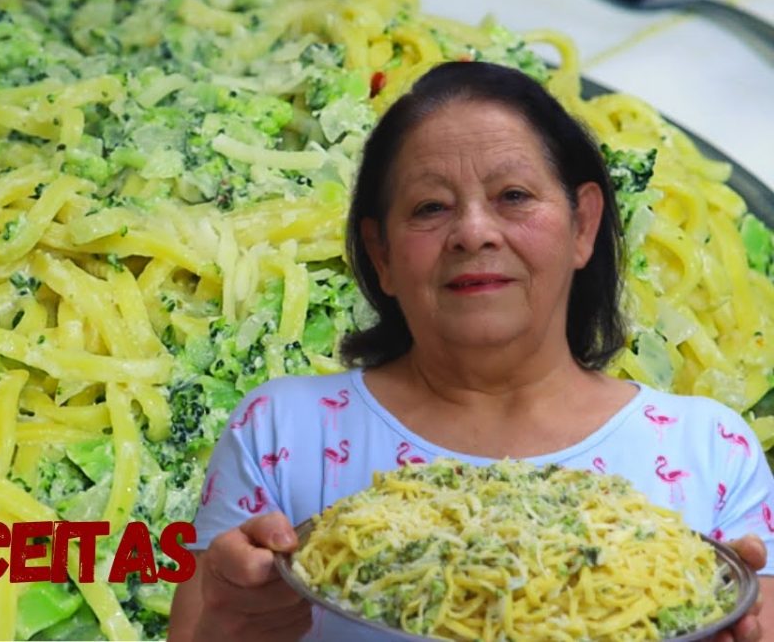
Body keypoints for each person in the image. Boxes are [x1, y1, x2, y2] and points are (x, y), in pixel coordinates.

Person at [166, 61, 774, 642]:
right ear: (382, 254)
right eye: (431, 207)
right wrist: (229, 628)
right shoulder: (279, 434)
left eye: (513, 195)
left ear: (583, 225)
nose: (474, 232)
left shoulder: (708, 453)